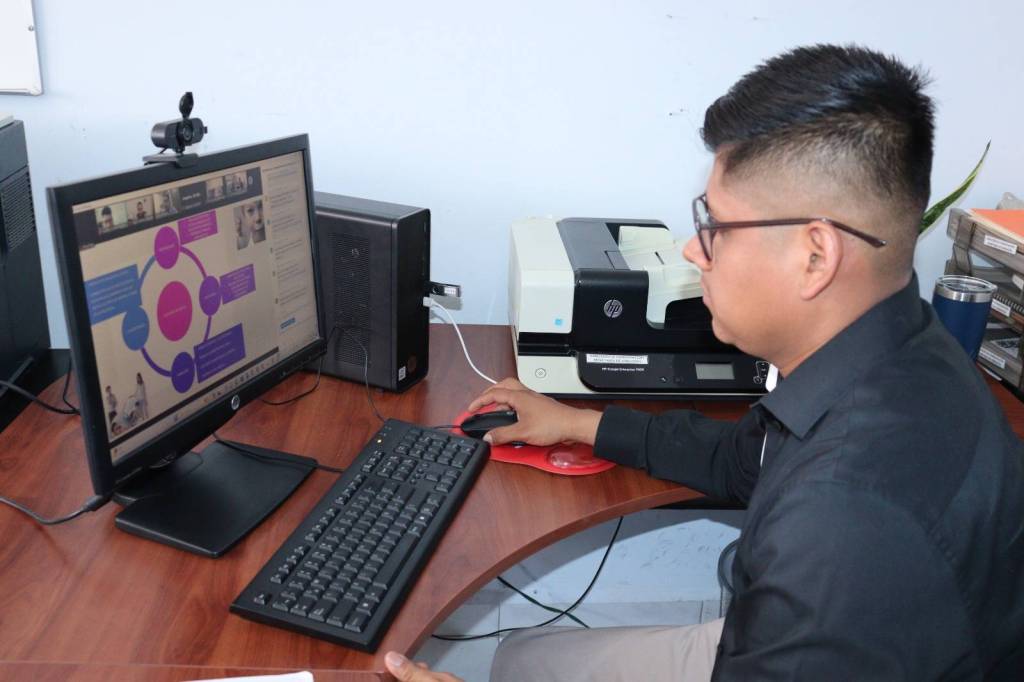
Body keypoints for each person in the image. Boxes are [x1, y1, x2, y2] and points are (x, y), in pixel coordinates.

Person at [385, 44, 1024, 681]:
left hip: (807, 646)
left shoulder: (841, 523)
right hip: (812, 639)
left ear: (815, 257)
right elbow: (744, 461)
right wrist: (576, 422)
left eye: (716, 225)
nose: (694, 249)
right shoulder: (903, 345)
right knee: (523, 660)